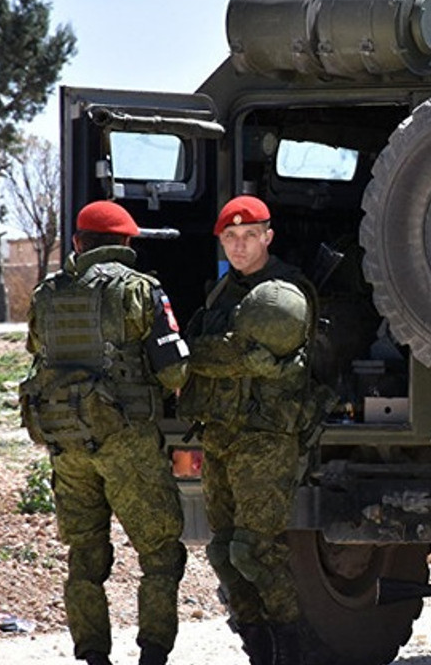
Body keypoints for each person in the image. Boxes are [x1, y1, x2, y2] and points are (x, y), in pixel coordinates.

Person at [20, 201, 189, 665]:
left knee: (85, 554)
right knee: (159, 555)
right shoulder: (140, 291)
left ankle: (93, 656)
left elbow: (39, 350)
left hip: (66, 442)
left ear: (78, 244)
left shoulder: (45, 293)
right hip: (127, 443)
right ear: (128, 245)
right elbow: (174, 372)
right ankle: (152, 655)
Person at [179, 195, 320, 665]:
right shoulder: (224, 292)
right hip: (221, 432)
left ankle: (293, 651)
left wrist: (213, 352)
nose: (239, 247)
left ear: (268, 237)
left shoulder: (285, 293)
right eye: (230, 238)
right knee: (222, 553)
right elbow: (201, 351)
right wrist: (224, 353)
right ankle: (260, 651)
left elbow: (225, 354)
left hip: (265, 435)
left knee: (254, 552)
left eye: (249, 236)